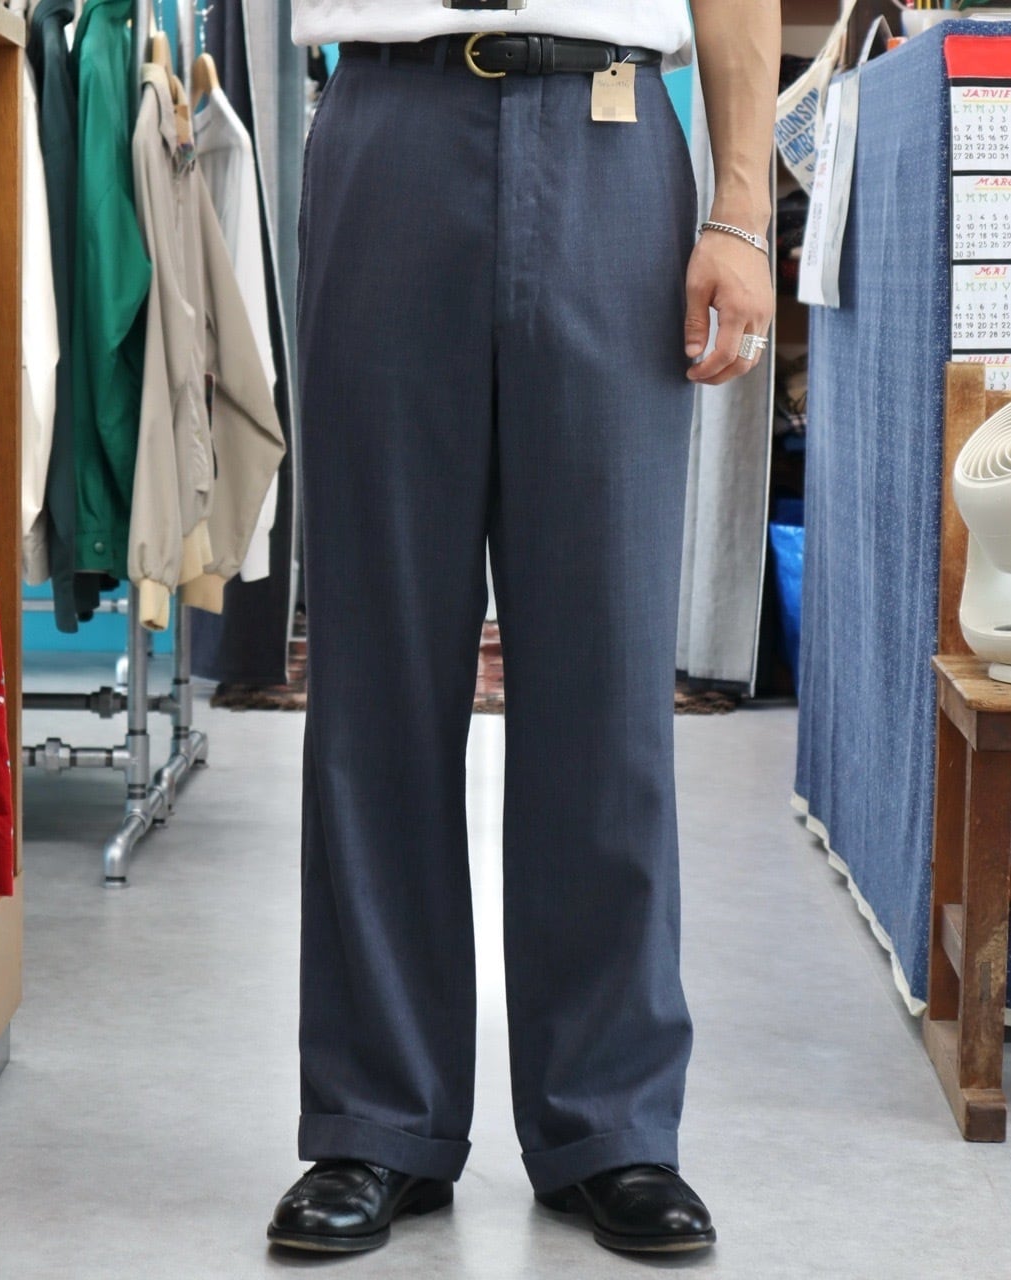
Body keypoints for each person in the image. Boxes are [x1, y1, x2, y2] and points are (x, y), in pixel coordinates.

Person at [269, 0, 779, 1257]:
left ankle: (610, 1122)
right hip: (387, 121)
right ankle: (376, 1117)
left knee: (607, 674)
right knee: (377, 668)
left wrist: (737, 208)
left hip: (610, 133)